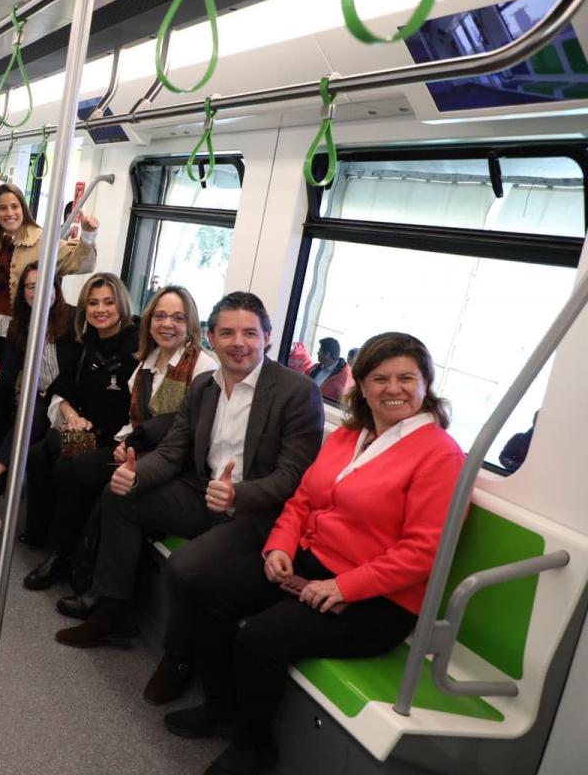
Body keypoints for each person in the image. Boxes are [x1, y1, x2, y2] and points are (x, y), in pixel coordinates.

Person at [162, 332, 464, 775]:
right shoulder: (349, 437)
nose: (393, 389)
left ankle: (255, 746)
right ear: (362, 385)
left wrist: (344, 586)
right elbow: (303, 501)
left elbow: (424, 552)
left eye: (407, 378)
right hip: (309, 562)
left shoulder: (440, 456)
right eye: (380, 378)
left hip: (377, 598)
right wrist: (279, 547)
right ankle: (223, 706)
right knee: (205, 589)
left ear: (426, 384)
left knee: (260, 638)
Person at [54, 292, 324, 649]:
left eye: (250, 334)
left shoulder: (297, 392)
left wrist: (237, 494)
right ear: (212, 337)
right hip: (201, 491)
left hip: (253, 510)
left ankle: (177, 658)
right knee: (118, 496)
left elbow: (292, 476)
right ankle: (113, 612)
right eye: (227, 333)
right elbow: (172, 450)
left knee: (183, 567)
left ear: (268, 337)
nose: (238, 343)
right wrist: (137, 474)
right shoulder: (204, 386)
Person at [22, 285, 218, 591]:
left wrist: (130, 442)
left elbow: (183, 426)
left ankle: (78, 562)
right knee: (63, 463)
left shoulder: (204, 368)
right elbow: (134, 416)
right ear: (150, 321)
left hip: (168, 457)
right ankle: (63, 553)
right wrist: (122, 440)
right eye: (161, 316)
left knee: (80, 472)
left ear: (190, 323)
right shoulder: (147, 362)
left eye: (177, 318)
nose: (167, 324)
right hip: (135, 444)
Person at [0, 182, 99, 448]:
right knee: (1, 397)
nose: (9, 213)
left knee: (28, 400)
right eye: (2, 208)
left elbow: (79, 262)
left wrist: (89, 236)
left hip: (30, 331)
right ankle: (3, 461)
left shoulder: (42, 240)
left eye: (14, 206)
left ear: (23, 209)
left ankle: (23, 461)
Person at [19, 273, 142, 549]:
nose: (100, 310)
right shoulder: (86, 345)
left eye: (108, 302)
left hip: (118, 442)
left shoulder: (139, 347)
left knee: (71, 468)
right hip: (87, 433)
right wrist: (72, 416)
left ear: (121, 305)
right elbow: (62, 390)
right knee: (39, 453)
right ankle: (39, 533)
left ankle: (61, 554)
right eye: (93, 303)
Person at [0, 263, 80, 535]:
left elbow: (78, 368)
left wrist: (56, 391)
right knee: (30, 410)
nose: (37, 291)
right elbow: (10, 374)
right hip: (38, 398)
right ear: (23, 293)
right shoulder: (18, 326)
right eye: (30, 286)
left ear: (56, 290)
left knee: (33, 412)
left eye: (44, 285)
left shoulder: (73, 319)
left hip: (69, 399)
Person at [308, 336, 353, 403]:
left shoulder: (344, 378)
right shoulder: (316, 367)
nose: (317, 353)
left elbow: (341, 405)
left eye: (320, 350)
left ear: (327, 354)